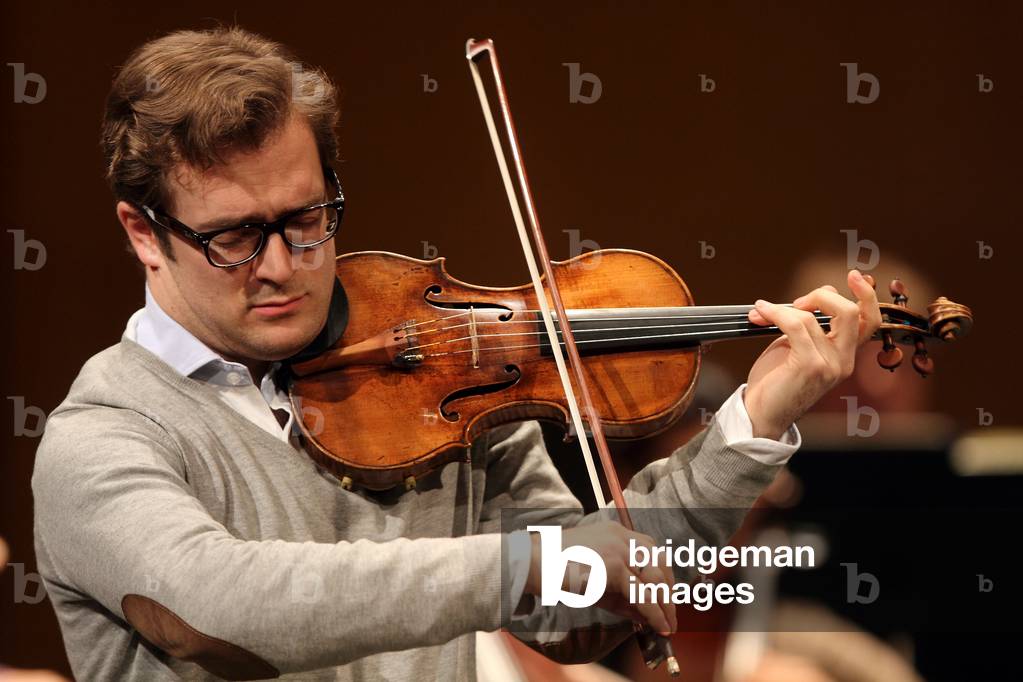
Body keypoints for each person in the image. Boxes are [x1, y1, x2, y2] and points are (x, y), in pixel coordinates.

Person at [30, 26, 881, 682]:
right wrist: (521, 564)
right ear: (143, 232)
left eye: (305, 219)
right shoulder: (104, 436)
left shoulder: (444, 380)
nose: (284, 266)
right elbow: (220, 605)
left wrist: (748, 425)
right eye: (234, 238)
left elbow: (575, 610)